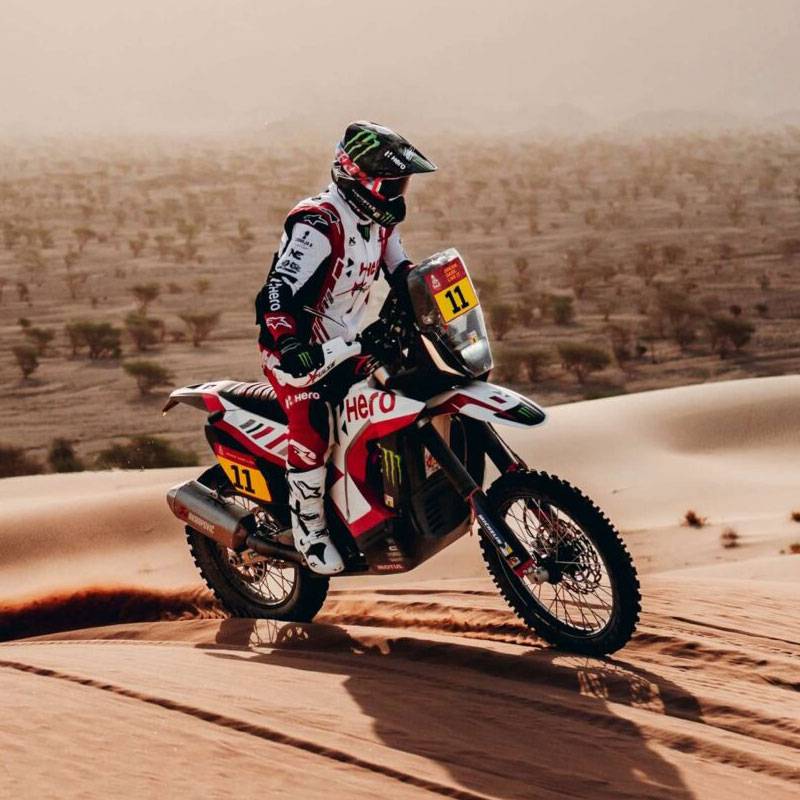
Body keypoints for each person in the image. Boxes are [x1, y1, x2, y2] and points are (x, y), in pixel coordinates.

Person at [255, 121, 436, 575]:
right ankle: (310, 528)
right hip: (299, 351)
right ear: (357, 179)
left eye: (402, 184)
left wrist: (429, 298)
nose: (398, 193)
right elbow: (276, 291)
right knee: (314, 421)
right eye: (390, 184)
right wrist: (289, 342)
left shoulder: (378, 222)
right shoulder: (319, 223)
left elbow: (402, 270)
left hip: (351, 342)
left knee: (403, 391)